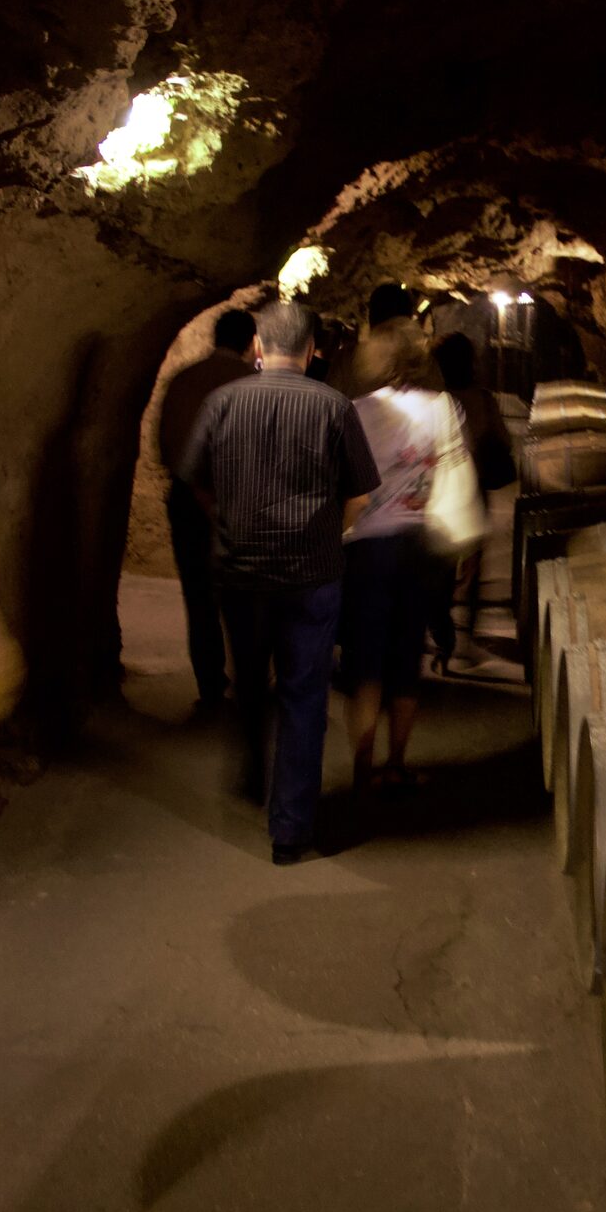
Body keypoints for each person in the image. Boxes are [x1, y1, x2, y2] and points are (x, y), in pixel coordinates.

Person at [184, 300, 378, 865]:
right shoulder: (335, 407)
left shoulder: (221, 402)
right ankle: (290, 829)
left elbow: (195, 477)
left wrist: (227, 521)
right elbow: (361, 494)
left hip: (241, 570)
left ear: (260, 347)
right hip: (310, 575)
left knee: (248, 677)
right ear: (313, 350)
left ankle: (250, 771)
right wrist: (328, 535)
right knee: (303, 694)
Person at [342, 323, 480, 795]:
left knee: (364, 663)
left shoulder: (356, 412)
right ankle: (396, 763)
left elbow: (344, 487)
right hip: (419, 546)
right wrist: (464, 550)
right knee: (405, 659)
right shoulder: (443, 408)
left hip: (366, 547)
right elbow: (456, 476)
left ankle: (362, 767)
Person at [158, 308, 258, 708]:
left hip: (187, 499)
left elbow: (163, 447)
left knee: (198, 599)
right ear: (251, 342)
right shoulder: (254, 385)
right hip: (240, 503)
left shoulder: (182, 380)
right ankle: (249, 680)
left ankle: (210, 686)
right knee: (246, 598)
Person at [433, 331, 515, 664]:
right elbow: (504, 441)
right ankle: (467, 630)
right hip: (475, 488)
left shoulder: (435, 399)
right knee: (473, 565)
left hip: (440, 490)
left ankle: (443, 631)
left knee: (440, 563)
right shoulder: (482, 399)